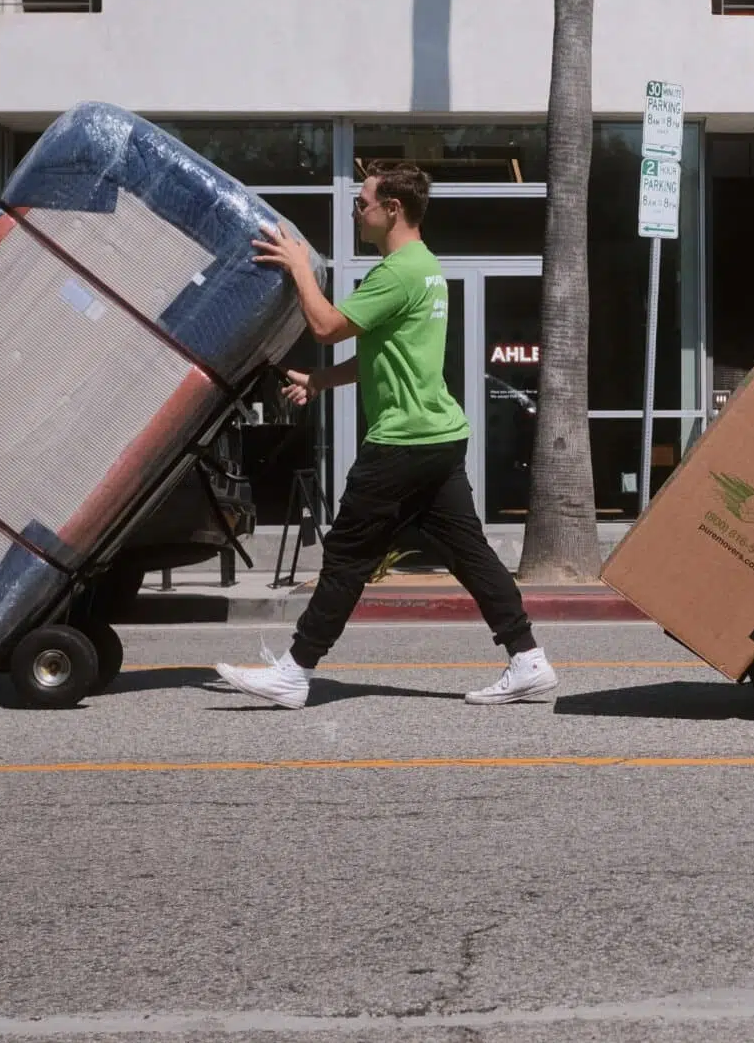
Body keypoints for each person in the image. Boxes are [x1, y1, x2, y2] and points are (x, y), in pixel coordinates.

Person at [214, 160, 557, 709]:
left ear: (392, 209)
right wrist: (322, 382)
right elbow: (387, 352)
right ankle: (528, 659)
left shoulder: (397, 272)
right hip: (438, 437)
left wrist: (299, 266)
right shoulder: (425, 268)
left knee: (348, 552)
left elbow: (325, 328)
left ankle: (296, 671)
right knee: (470, 553)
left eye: (363, 201)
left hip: (403, 442)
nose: (356, 210)